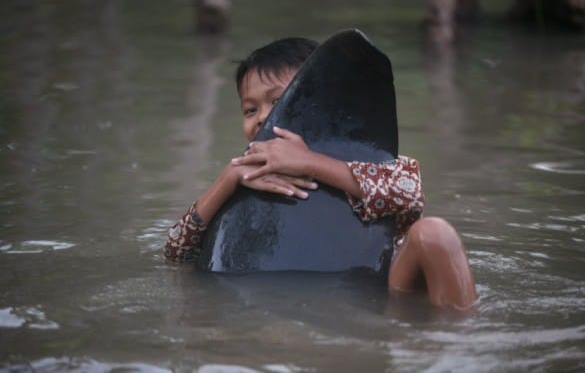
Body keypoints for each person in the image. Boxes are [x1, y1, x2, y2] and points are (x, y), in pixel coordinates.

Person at [164, 37, 477, 310]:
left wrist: (310, 163)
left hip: (380, 289)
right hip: (279, 298)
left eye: (277, 102)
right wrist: (228, 178)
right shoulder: (248, 172)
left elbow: (409, 195)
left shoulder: (365, 160)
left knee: (435, 234)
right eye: (250, 109)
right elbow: (176, 254)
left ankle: (456, 340)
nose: (261, 118)